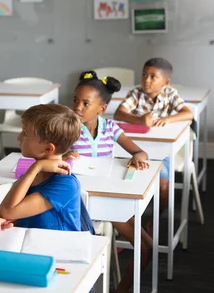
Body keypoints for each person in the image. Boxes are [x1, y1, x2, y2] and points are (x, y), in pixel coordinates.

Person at [69, 71, 150, 293]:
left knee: (146, 247)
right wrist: (63, 156)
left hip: (107, 197)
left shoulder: (111, 129)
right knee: (144, 245)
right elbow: (47, 155)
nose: (78, 107)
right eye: (76, 100)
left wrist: (136, 158)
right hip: (79, 202)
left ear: (101, 109)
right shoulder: (67, 127)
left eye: (86, 103)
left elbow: (141, 152)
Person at [0, 104, 82, 234]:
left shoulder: (65, 184)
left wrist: (36, 167)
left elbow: (6, 210)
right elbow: (27, 216)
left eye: (25, 133)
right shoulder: (34, 176)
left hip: (59, 251)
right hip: (34, 245)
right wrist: (7, 222)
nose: (19, 137)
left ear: (48, 149)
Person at [114, 57, 193, 213]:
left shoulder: (170, 94)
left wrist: (167, 119)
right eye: (144, 75)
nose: (146, 80)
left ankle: (155, 220)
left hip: (162, 151)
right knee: (124, 180)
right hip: (136, 149)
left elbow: (187, 113)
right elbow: (119, 113)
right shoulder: (136, 93)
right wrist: (139, 120)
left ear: (165, 82)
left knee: (164, 185)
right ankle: (125, 216)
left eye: (153, 76)